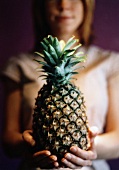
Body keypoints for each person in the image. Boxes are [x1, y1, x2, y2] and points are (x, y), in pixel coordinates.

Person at [1, 0, 119, 169]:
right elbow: (8, 141)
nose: (64, 5)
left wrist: (89, 147)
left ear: (86, 5)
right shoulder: (18, 65)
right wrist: (29, 145)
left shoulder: (111, 62)